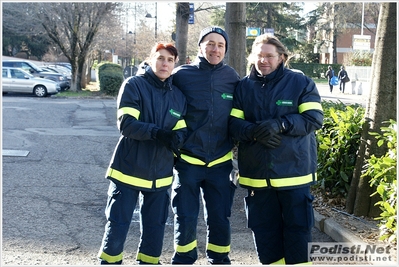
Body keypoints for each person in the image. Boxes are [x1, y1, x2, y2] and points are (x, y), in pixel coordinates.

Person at [229, 34, 324, 265]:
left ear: (281, 58)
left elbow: (313, 118)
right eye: (259, 55)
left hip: (294, 174)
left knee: (298, 231)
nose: (263, 60)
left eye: (269, 56)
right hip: (258, 178)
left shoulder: (300, 82)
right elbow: (233, 125)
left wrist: (281, 124)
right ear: (252, 57)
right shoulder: (243, 87)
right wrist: (253, 132)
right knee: (265, 233)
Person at [97, 42, 187, 265]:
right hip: (128, 169)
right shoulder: (133, 85)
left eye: (169, 60)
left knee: (155, 229)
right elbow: (127, 124)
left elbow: (180, 127)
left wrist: (179, 138)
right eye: (160, 58)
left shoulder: (178, 96)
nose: (164, 63)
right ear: (150, 59)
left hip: (160, 174)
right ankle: (109, 262)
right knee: (118, 225)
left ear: (175, 64)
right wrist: (158, 133)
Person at [170, 26, 240, 265]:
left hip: (220, 162)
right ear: (200, 46)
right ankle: (184, 257)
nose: (215, 49)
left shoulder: (232, 78)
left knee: (220, 217)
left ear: (226, 49)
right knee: (186, 215)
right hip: (189, 161)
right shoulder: (181, 75)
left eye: (220, 45)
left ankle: (219, 258)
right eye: (210, 43)